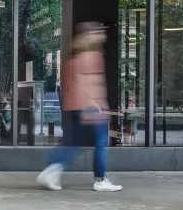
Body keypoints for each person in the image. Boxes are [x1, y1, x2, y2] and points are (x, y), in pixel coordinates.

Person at [37, 22, 122, 193]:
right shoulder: (93, 56)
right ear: (90, 35)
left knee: (73, 144)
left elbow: (68, 87)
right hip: (92, 108)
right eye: (99, 32)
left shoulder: (72, 59)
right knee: (101, 144)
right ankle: (100, 180)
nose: (102, 35)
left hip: (76, 107)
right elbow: (88, 84)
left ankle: (52, 170)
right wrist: (95, 105)